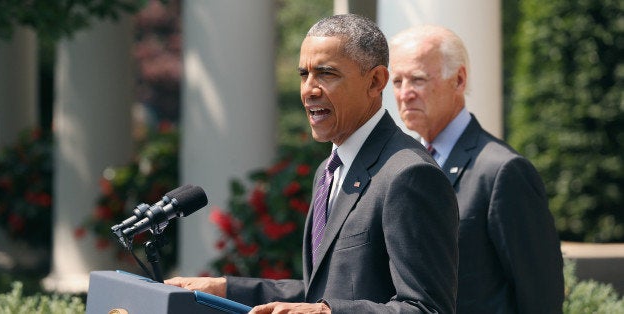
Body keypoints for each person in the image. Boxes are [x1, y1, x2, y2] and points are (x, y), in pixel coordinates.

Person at [166, 14, 459, 314]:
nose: (309, 89)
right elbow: (324, 291)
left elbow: (427, 309)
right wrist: (226, 288)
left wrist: (326, 313)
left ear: (375, 81)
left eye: (326, 74)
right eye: (304, 74)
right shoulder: (329, 171)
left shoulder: (409, 175)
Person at [389, 25, 565, 313]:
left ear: (458, 80)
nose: (405, 94)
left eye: (418, 80)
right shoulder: (399, 165)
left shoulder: (502, 171)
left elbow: (541, 296)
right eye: (397, 81)